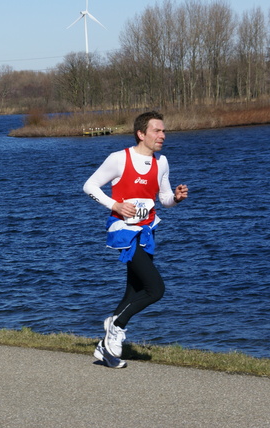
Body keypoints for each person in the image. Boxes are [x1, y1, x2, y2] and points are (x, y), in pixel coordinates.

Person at [83, 111, 188, 368]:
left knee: (134, 290)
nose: (162, 135)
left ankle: (105, 350)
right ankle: (116, 324)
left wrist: (175, 198)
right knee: (155, 289)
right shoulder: (119, 159)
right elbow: (90, 186)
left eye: (164, 131)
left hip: (147, 231)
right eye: (156, 131)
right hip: (123, 230)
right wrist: (116, 205)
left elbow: (163, 199)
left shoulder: (162, 162)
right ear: (141, 134)